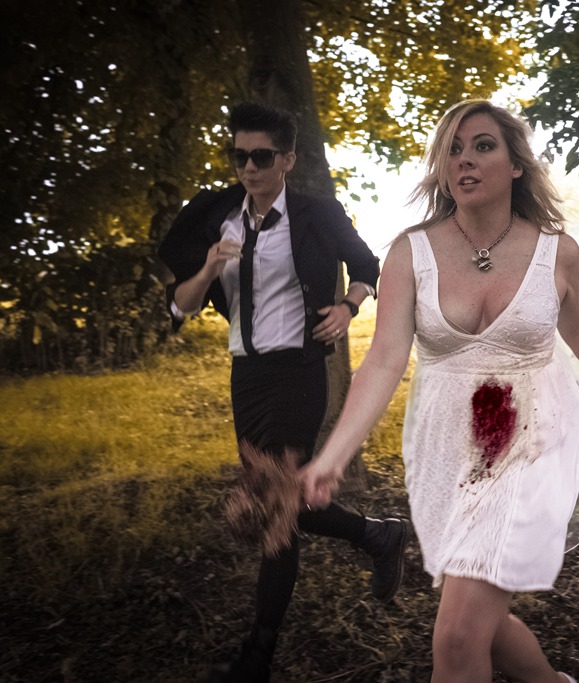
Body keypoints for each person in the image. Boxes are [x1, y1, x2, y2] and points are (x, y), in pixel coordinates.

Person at [301, 99, 579, 683]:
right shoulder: (411, 252)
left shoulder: (557, 251)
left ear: (516, 164)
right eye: (453, 149)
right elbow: (384, 359)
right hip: (447, 446)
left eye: (482, 146)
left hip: (536, 438)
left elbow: (577, 327)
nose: (464, 160)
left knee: (456, 638)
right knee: (480, 623)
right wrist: (333, 455)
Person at [157, 101, 411, 683]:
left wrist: (348, 307)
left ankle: (258, 656)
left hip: (298, 373)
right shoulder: (218, 217)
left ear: (288, 160)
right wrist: (207, 268)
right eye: (240, 156)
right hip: (246, 377)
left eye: (262, 156)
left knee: (274, 508)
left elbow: (366, 265)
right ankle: (376, 534)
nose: (249, 167)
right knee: (282, 504)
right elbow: (179, 306)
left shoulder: (316, 214)